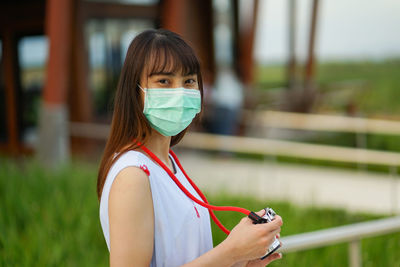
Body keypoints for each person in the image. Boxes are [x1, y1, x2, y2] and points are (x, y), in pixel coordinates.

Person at [97, 29, 283, 267]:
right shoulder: (132, 175)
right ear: (135, 91)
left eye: (189, 81)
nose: (179, 92)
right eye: (164, 81)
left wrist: (243, 259)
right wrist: (231, 251)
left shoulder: (169, 163)